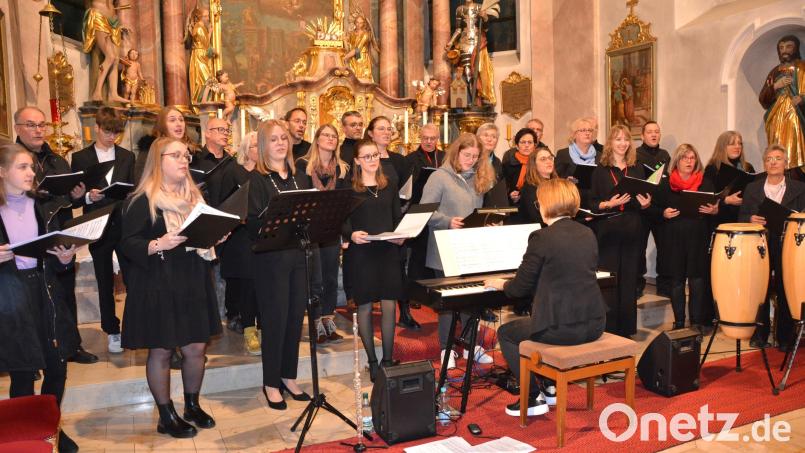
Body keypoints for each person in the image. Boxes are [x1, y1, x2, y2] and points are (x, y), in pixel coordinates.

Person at [120, 137, 222, 438]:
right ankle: (165, 415)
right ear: (158, 160)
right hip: (158, 281)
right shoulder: (143, 200)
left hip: (192, 278)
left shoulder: (196, 198)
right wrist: (158, 243)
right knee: (162, 349)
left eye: (186, 155)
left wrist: (216, 236)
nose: (184, 160)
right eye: (175, 155)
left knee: (195, 348)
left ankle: (191, 405)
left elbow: (201, 237)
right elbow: (127, 244)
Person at [485, 178, 606, 417]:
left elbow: (519, 289)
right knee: (535, 321)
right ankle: (550, 388)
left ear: (546, 204)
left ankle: (531, 399)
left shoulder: (542, 237)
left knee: (507, 333)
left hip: (562, 329)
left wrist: (501, 283)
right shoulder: (588, 233)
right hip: (594, 324)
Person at [0, 144, 82, 452]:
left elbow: (58, 254)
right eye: (22, 167)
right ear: (2, 172)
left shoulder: (44, 205)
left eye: (32, 167)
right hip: (10, 296)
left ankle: (50, 428)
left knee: (57, 367)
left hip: (44, 291)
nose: (31, 173)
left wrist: (65, 258)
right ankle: (22, 434)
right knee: (23, 371)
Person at [14, 107, 95, 364]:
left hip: (59, 233)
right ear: (17, 128)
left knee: (64, 291)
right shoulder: (10, 160)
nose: (39, 130)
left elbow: (70, 201)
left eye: (41, 125)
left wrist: (75, 196)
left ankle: (71, 346)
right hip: (26, 236)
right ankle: (33, 353)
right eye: (31, 125)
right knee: (28, 298)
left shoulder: (58, 160)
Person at [246, 120, 312, 410]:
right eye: (273, 140)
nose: (281, 143)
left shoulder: (300, 178)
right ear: (263, 146)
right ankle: (271, 382)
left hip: (298, 256)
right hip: (271, 260)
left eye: (283, 138)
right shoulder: (257, 180)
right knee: (275, 322)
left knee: (295, 319)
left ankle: (288, 375)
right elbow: (252, 223)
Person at [420, 133, 497, 369]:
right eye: (467, 155)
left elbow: (478, 211)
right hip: (443, 248)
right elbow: (424, 212)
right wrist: (447, 221)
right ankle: (446, 349)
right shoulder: (439, 177)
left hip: (470, 250)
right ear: (456, 152)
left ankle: (470, 344)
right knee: (449, 302)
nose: (471, 160)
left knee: (471, 299)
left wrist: (488, 222)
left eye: (475, 157)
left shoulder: (479, 178)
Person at [70, 107, 135, 354]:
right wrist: (88, 196)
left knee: (132, 278)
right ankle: (112, 329)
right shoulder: (81, 158)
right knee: (104, 279)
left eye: (116, 133)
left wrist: (130, 193)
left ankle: (133, 326)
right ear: (97, 127)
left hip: (123, 223)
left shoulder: (127, 156)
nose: (112, 137)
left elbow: (132, 188)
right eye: (108, 132)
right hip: (97, 225)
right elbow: (73, 199)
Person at [343, 139, 406, 381]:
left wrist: (400, 236)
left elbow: (396, 217)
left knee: (390, 304)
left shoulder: (388, 185)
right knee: (366, 306)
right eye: (366, 156)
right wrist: (350, 234)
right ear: (357, 161)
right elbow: (341, 220)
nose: (372, 160)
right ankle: (372, 360)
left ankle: (387, 359)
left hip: (387, 250)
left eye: (375, 156)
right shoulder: (349, 188)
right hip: (362, 252)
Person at [740, 144, 805, 350]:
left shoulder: (800, 188)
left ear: (786, 163)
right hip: (760, 244)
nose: (773, 162)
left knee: (787, 288)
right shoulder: (753, 188)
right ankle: (760, 334)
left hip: (788, 244)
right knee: (761, 288)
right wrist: (750, 219)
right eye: (769, 159)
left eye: (778, 158)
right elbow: (741, 216)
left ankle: (785, 337)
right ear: (764, 163)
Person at [590, 125, 652, 338]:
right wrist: (608, 203)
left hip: (633, 227)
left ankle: (626, 329)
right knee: (610, 279)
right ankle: (609, 329)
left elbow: (641, 199)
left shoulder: (636, 168)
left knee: (629, 279)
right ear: (610, 143)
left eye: (626, 139)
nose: (623, 143)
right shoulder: (601, 170)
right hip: (609, 228)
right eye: (618, 139)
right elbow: (593, 203)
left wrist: (645, 203)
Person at [654, 144, 719, 329]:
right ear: (677, 160)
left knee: (697, 280)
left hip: (698, 237)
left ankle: (696, 322)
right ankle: (680, 322)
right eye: (685, 158)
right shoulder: (665, 184)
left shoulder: (705, 182)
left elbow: (714, 208)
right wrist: (663, 213)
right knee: (677, 281)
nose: (690, 161)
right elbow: (653, 208)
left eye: (692, 158)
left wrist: (714, 211)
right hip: (673, 238)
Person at [296, 124, 349, 344]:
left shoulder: (342, 168)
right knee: (314, 279)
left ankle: (328, 317)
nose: (330, 139)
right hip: (310, 229)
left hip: (332, 228)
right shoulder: (303, 166)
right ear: (317, 139)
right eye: (325, 135)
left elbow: (345, 203)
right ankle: (316, 320)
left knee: (329, 277)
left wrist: (345, 234)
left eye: (334, 136)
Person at [365, 116, 419, 329]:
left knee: (398, 268)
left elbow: (408, 188)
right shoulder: (363, 157)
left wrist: (405, 207)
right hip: (372, 220)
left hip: (395, 219)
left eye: (389, 129)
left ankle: (404, 312)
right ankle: (369, 316)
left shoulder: (398, 160)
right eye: (381, 129)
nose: (386, 132)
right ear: (371, 133)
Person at [703, 131, 755, 326]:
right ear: (722, 146)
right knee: (718, 273)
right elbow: (708, 200)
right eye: (732, 144)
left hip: (742, 225)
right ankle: (714, 314)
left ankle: (737, 313)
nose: (737, 147)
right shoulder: (712, 169)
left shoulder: (748, 168)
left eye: (739, 143)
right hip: (720, 226)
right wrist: (726, 200)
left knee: (739, 273)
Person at [219, 132, 261, 355]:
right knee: (246, 285)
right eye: (255, 145)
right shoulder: (233, 171)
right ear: (245, 148)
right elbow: (224, 204)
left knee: (260, 285)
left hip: (261, 234)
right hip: (239, 236)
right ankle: (249, 330)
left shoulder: (266, 172)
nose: (258, 149)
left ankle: (262, 328)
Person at [403, 124, 445, 315]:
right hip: (419, 208)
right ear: (419, 137)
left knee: (436, 251)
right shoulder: (411, 159)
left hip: (440, 209)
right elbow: (407, 188)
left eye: (433, 138)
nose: (429, 142)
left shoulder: (444, 158)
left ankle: (434, 292)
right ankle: (416, 294)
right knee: (419, 254)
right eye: (425, 138)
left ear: (438, 138)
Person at [635, 121, 671, 297]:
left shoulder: (665, 155)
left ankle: (663, 285)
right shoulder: (635, 155)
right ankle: (638, 284)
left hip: (660, 208)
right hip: (642, 208)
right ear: (642, 136)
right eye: (649, 132)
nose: (654, 135)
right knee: (639, 247)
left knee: (665, 248)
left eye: (657, 132)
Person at [759, 35, 804, 169]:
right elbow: (763, 100)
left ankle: (795, 171)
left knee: (795, 148)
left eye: (789, 46)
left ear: (796, 48)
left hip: (796, 116)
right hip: (776, 117)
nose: (784, 50)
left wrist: (802, 99)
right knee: (777, 147)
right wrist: (775, 86)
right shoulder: (774, 72)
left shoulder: (802, 68)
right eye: (781, 47)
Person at [135, 106, 199, 182]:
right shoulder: (149, 150)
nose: (179, 124)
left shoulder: (192, 150)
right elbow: (141, 182)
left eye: (181, 120)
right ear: (162, 125)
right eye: (172, 120)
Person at [82, 0, 127, 103]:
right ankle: (97, 91)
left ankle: (113, 94)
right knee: (110, 56)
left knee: (115, 59)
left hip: (113, 19)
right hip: (99, 15)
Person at [518, 147, 558, 225]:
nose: (548, 161)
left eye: (550, 158)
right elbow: (536, 218)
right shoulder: (529, 188)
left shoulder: (558, 184)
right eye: (543, 159)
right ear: (534, 165)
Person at [185, 7, 215, 104]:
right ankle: (201, 102)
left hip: (203, 55)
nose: (207, 18)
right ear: (200, 17)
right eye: (205, 16)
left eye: (208, 16)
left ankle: (204, 101)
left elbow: (206, 44)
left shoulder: (202, 27)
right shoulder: (199, 27)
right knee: (205, 79)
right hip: (199, 56)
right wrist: (210, 32)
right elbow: (206, 44)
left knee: (207, 79)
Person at [501, 128, 539, 206]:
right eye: (523, 142)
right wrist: (510, 195)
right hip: (513, 209)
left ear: (534, 146)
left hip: (534, 207)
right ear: (517, 146)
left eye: (530, 142)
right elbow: (502, 190)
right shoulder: (508, 165)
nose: (526, 145)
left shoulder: (539, 165)